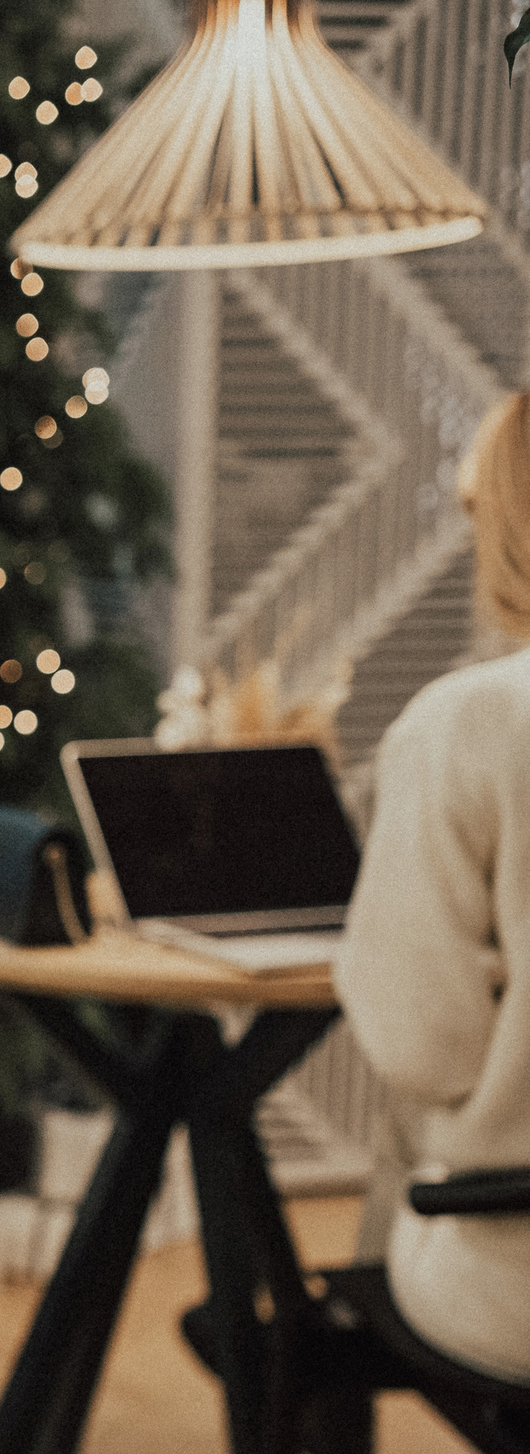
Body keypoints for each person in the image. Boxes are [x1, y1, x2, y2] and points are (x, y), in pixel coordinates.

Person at [334, 392, 530, 1386]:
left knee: (405, 1152)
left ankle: (310, 1375)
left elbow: (422, 1041)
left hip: (507, 1270)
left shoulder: (472, 721)